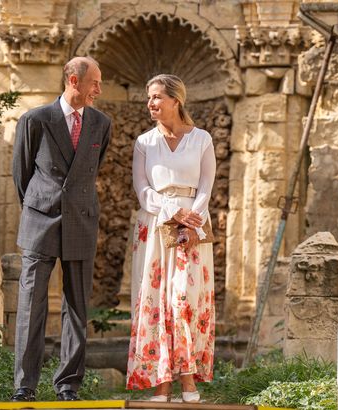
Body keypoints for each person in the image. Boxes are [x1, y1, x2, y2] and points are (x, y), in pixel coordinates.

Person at [10, 56, 111, 402]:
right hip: (41, 221)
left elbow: (89, 172)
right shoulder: (35, 119)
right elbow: (21, 176)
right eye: (94, 82)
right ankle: (25, 386)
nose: (99, 89)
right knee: (31, 305)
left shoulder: (101, 123)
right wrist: (43, 205)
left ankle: (68, 385)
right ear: (73, 80)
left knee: (78, 307)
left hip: (81, 221)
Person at [126, 74, 216, 403]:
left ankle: (189, 381)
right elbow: (142, 189)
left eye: (157, 97)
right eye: (149, 97)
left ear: (176, 100)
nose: (151, 103)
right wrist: (171, 213)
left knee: (185, 300)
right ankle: (161, 385)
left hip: (194, 225)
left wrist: (192, 223)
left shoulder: (202, 139)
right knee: (157, 301)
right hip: (156, 225)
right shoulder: (144, 142)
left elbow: (206, 185)